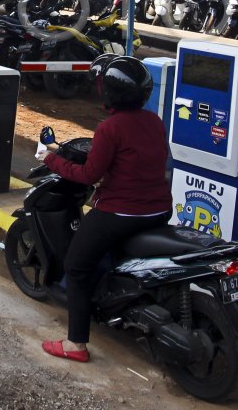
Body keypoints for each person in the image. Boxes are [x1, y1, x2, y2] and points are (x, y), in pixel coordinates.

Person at [39, 54, 172, 363]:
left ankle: (75, 344)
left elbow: (88, 176)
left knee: (77, 266)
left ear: (109, 91)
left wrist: (52, 160)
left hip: (121, 214)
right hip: (159, 209)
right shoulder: (154, 121)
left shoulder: (110, 128)